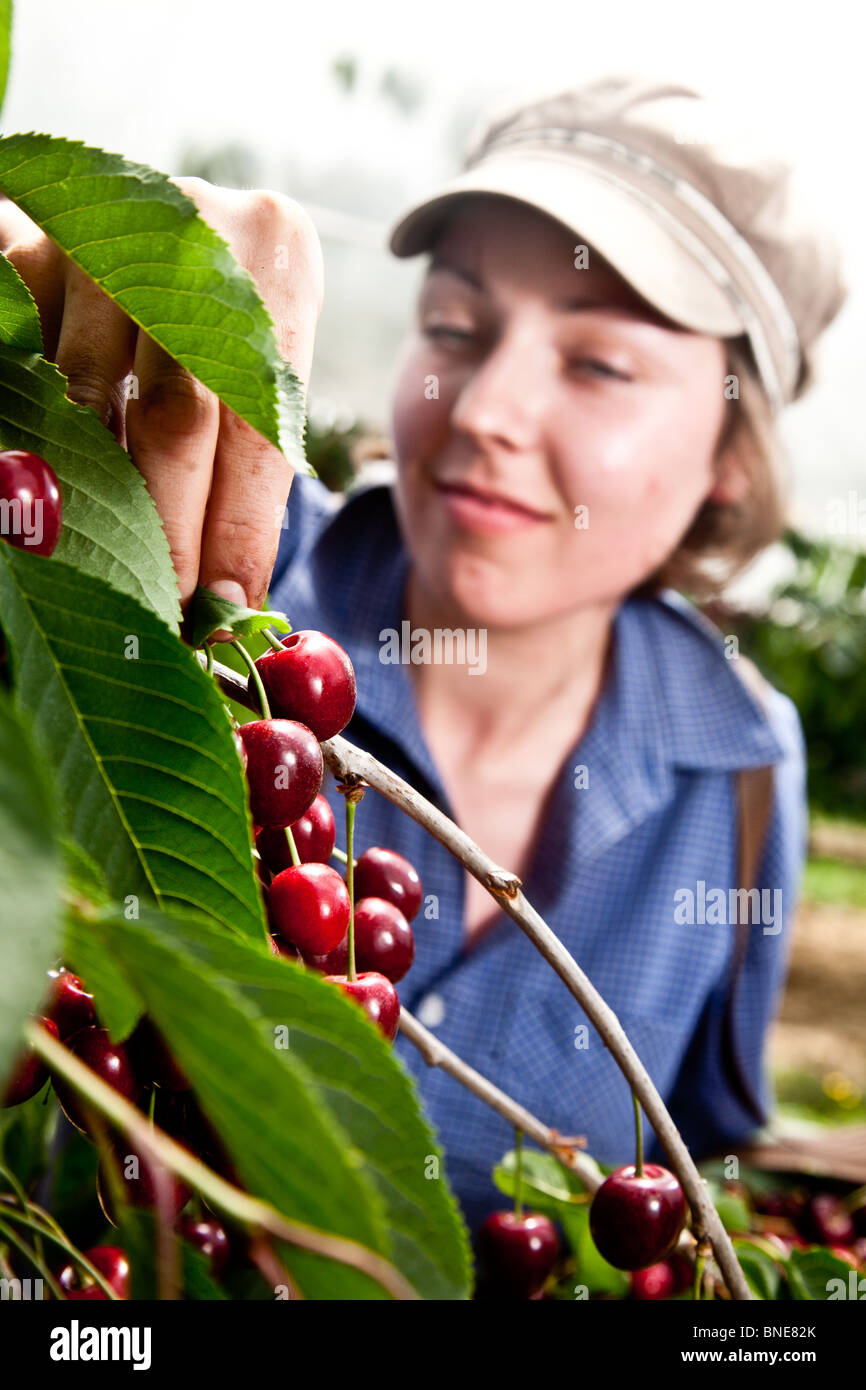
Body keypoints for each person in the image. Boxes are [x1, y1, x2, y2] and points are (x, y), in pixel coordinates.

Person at [1, 74, 847, 1234]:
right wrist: (85, 297)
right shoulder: (198, 565)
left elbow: (704, 1153)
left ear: (729, 461)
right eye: (454, 327)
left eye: (598, 363)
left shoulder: (745, 767)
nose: (486, 406)